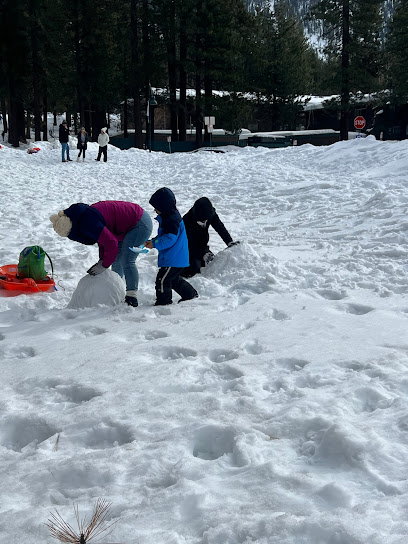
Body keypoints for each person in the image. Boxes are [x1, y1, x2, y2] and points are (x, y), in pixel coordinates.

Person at [50, 201, 153, 307]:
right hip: (125, 227)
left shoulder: (87, 221)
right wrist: (102, 260)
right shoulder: (81, 218)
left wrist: (104, 265)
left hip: (139, 223)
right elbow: (103, 241)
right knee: (117, 260)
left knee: (127, 260)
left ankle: (132, 297)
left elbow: (111, 243)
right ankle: (119, 291)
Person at [145, 187, 198, 306]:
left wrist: (154, 244)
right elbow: (166, 236)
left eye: (156, 207)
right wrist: (154, 241)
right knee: (173, 279)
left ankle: (163, 302)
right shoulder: (170, 217)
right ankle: (190, 294)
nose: (154, 210)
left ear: (163, 207)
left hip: (173, 258)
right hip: (177, 257)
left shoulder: (171, 220)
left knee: (162, 280)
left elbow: (170, 239)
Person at [181, 197, 239, 278]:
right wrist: (202, 254)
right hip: (188, 250)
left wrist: (229, 241)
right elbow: (189, 245)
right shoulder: (186, 222)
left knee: (213, 263)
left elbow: (220, 227)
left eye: (206, 220)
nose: (205, 222)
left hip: (202, 245)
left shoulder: (209, 214)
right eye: (202, 221)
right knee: (194, 269)